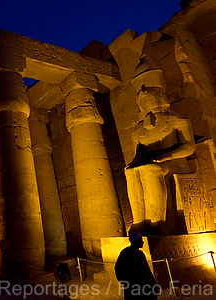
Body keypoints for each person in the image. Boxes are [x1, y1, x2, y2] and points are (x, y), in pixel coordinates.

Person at [125, 55, 195, 234]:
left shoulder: (175, 119)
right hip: (153, 161)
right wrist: (133, 164)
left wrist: (166, 155)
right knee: (131, 173)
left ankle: (158, 222)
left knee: (151, 170)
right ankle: (139, 221)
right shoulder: (138, 129)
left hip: (174, 161)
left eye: (149, 98)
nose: (147, 103)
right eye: (143, 101)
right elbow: (138, 154)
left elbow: (189, 147)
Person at [115, 232, 158, 299]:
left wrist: (153, 285)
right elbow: (119, 268)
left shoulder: (141, 253)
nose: (143, 242)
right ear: (136, 241)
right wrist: (126, 280)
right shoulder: (126, 253)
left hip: (145, 286)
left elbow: (147, 271)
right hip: (134, 288)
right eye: (140, 240)